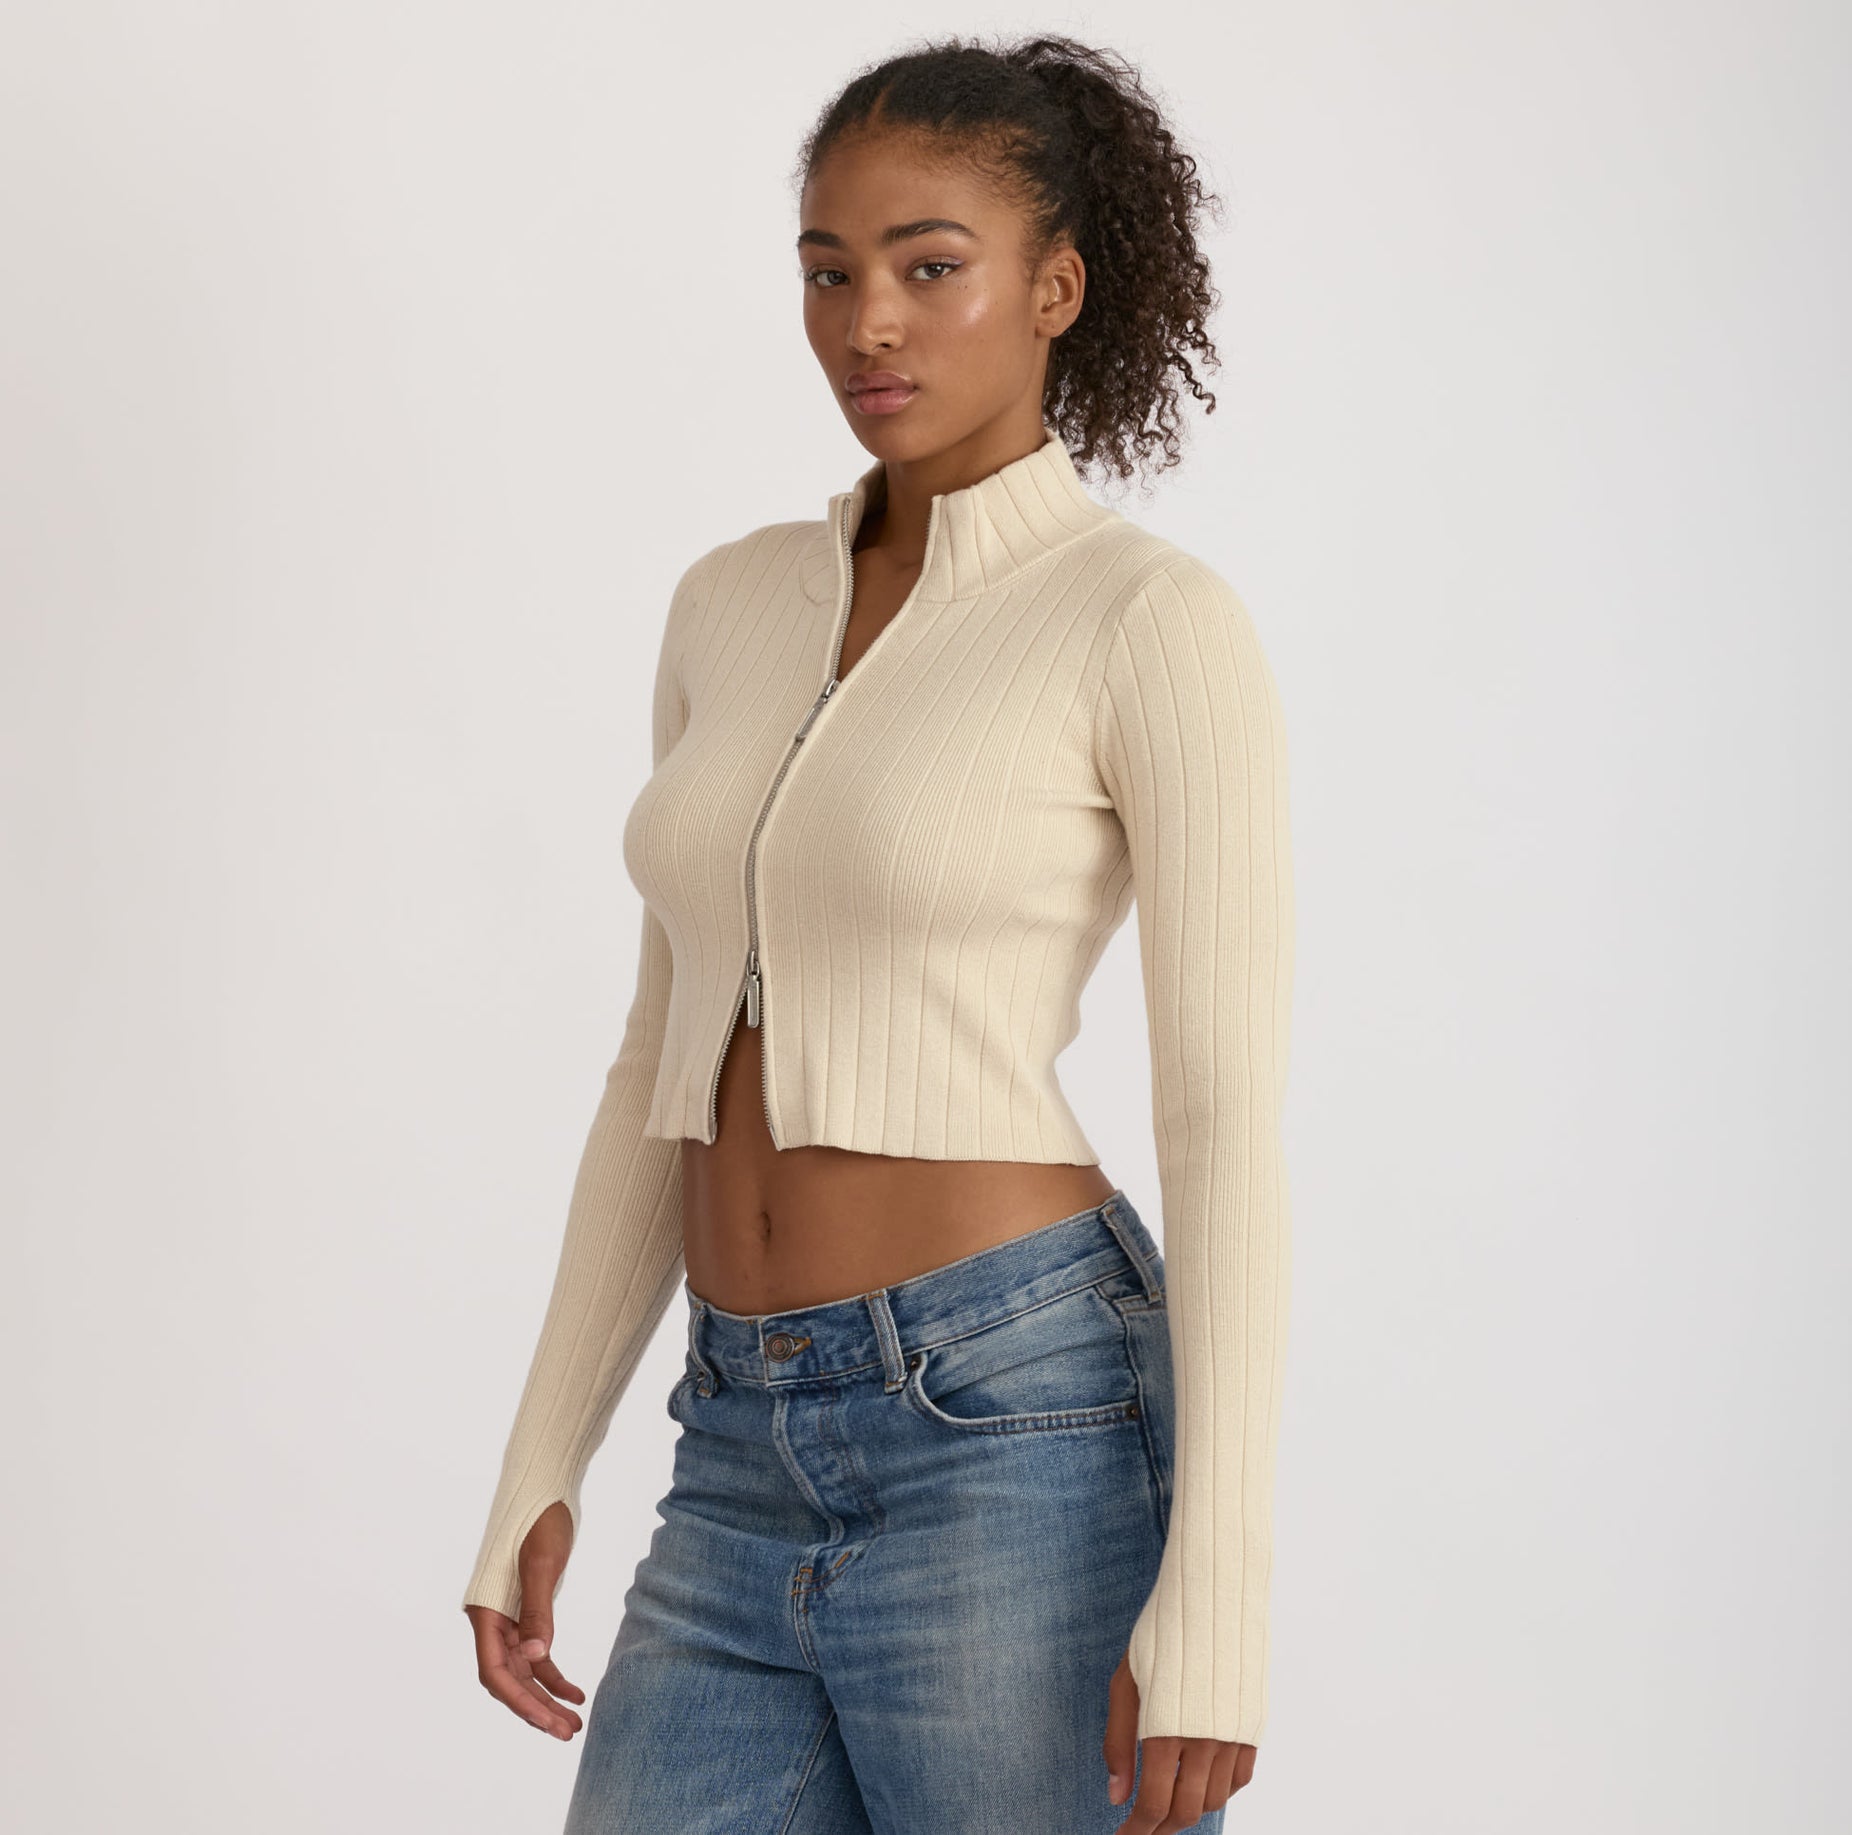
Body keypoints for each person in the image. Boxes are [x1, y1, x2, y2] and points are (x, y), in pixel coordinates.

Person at [461, 32, 1294, 1835]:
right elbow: (659, 1054)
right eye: (829, 274)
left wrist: (1217, 1599)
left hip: (1013, 1420)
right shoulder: (730, 600)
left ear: (1054, 287)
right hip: (733, 1437)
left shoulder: (1145, 620)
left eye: (930, 267)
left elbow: (1225, 1118)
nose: (870, 326)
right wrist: (545, 1447)